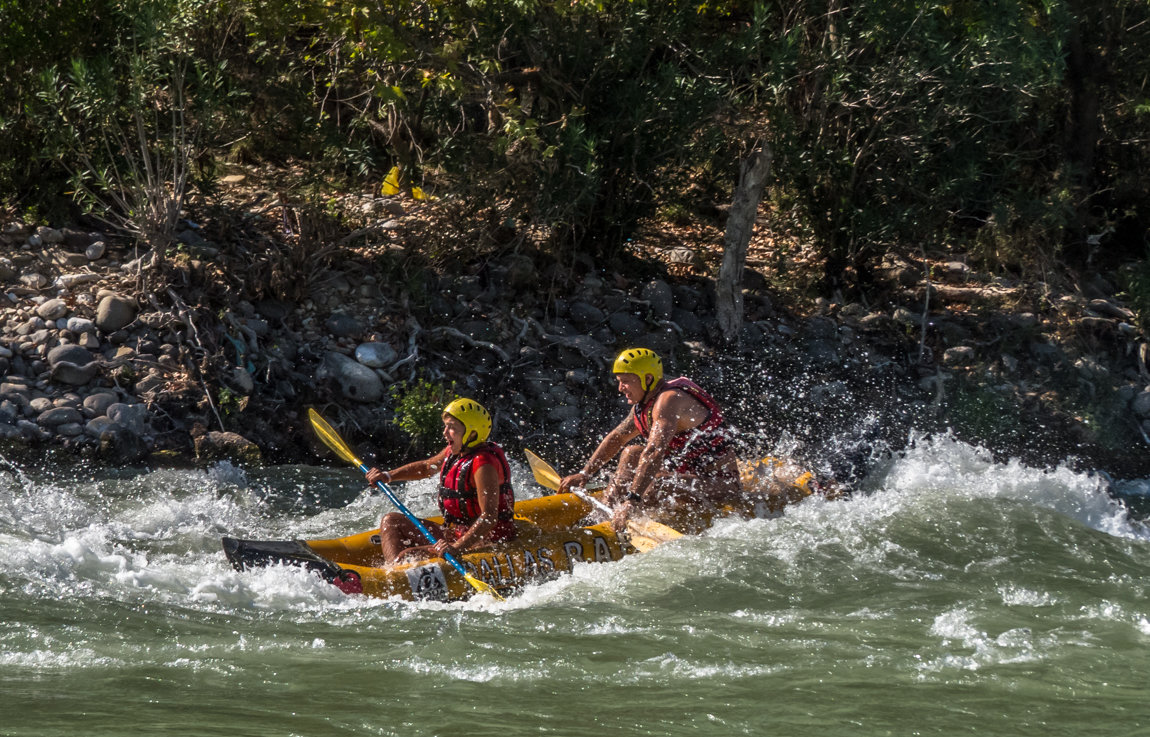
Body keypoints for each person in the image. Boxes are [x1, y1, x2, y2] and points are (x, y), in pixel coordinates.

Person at [558, 348, 741, 533]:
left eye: (626, 382)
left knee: (659, 483)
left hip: (719, 484)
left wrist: (632, 499)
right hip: (683, 474)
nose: (620, 388)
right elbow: (617, 437)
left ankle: (628, 516)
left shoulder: (669, 400)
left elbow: (654, 450)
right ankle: (603, 516)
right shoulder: (645, 403)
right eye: (620, 382)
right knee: (631, 453)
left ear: (647, 379)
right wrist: (585, 473)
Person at [365, 398, 517, 563]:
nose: (445, 432)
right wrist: (388, 476)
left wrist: (456, 547)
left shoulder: (483, 464)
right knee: (391, 521)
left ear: (472, 433)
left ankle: (395, 575)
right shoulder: (454, 452)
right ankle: (393, 570)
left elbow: (489, 517)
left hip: (486, 540)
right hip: (457, 532)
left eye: (452, 428)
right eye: (446, 426)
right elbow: (425, 467)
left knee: (406, 556)